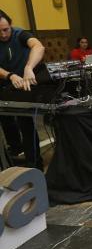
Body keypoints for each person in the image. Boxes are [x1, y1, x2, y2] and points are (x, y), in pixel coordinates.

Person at [0, 9, 45, 169]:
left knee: (25, 123)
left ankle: (34, 164)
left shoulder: (20, 34)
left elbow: (38, 47)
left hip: (23, 85)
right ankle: (15, 153)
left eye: (6, 30)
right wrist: (10, 75)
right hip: (5, 84)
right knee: (6, 120)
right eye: (0, 32)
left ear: (10, 25)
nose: (4, 34)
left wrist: (28, 67)